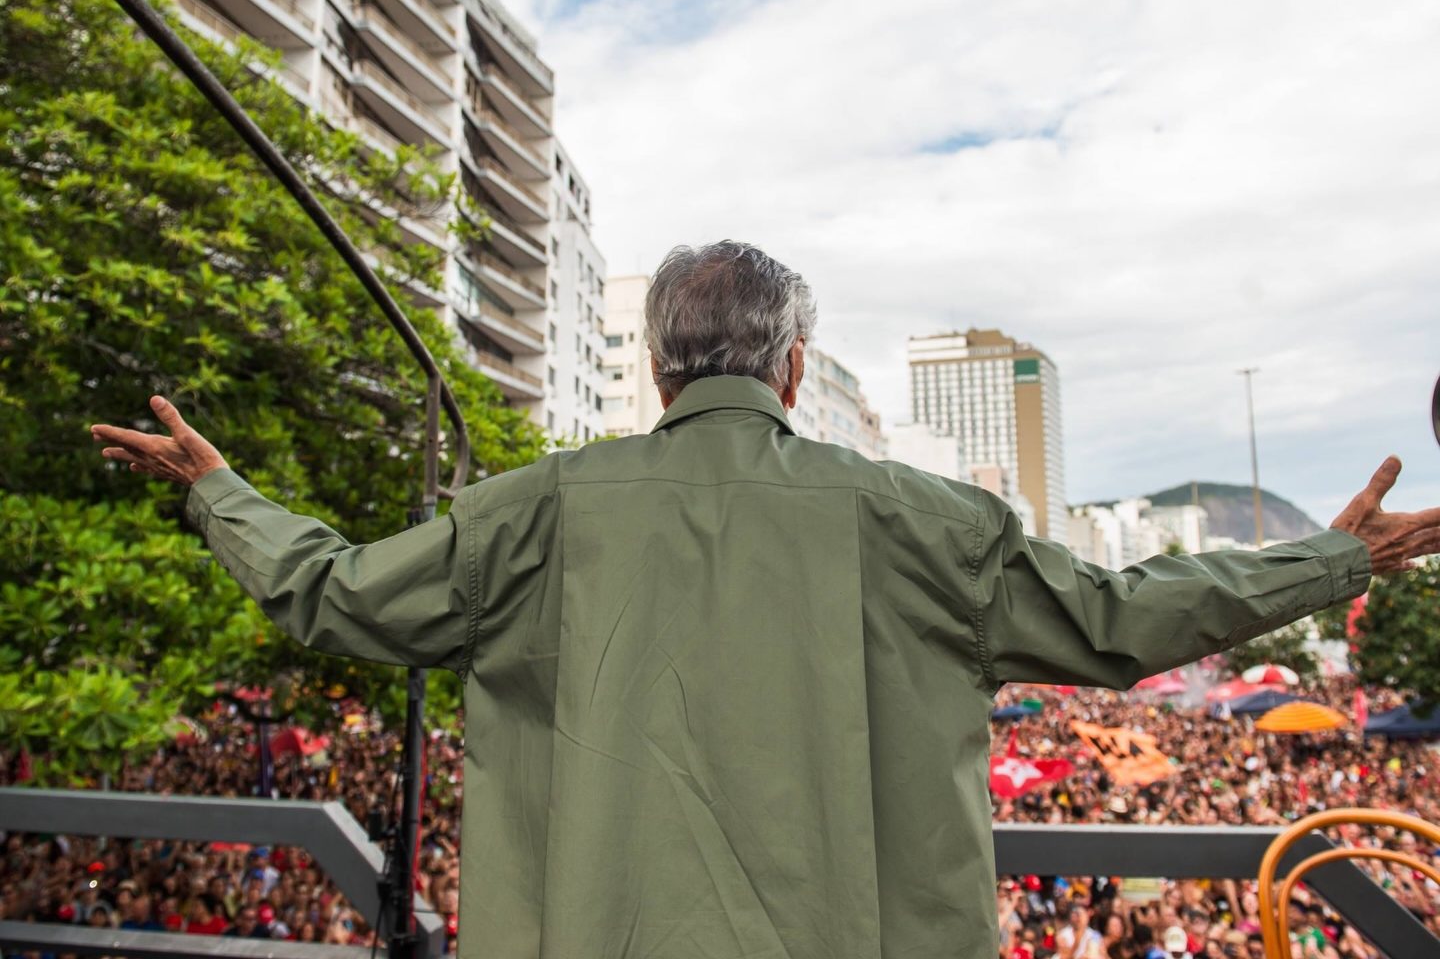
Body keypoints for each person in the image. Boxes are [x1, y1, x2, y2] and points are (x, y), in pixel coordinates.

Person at [91, 240, 1440, 959]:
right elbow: (1125, 619)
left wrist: (222, 488)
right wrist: (1328, 559)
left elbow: (327, 598)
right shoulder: (924, 517)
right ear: (794, 370)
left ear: (662, 374)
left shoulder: (536, 508)